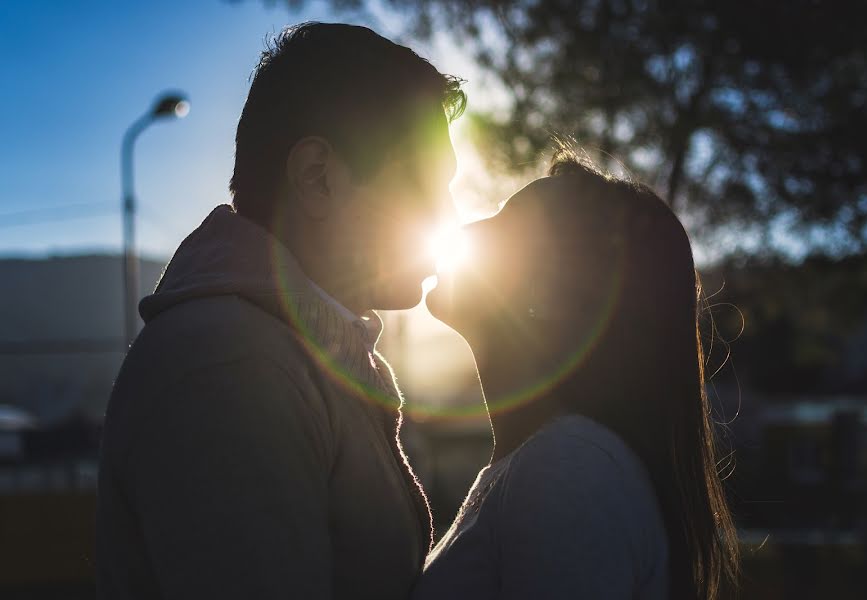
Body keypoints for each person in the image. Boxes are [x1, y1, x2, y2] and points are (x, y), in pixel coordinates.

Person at [96, 22, 465, 599]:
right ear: (317, 177)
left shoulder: (287, 349)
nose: (447, 217)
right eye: (424, 184)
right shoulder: (229, 369)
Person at [415, 147, 740, 599]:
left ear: (548, 297)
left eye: (504, 227)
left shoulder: (568, 468)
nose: (466, 229)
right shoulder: (550, 461)